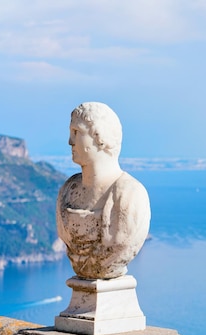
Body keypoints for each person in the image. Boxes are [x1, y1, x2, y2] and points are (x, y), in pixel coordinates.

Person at [56, 102, 151, 279]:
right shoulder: (68, 191)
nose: (70, 141)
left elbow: (119, 246)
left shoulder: (131, 195)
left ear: (100, 137)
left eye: (76, 132)